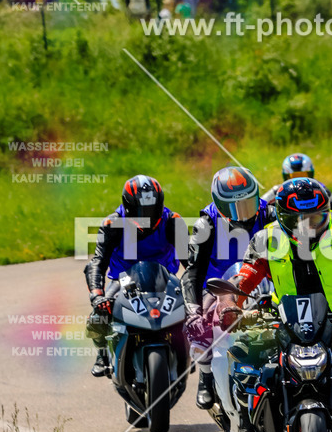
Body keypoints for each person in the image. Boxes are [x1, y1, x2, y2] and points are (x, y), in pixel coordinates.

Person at [217, 177, 332, 432]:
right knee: (243, 358)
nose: (308, 227)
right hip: (280, 318)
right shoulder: (265, 239)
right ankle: (243, 425)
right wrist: (230, 304)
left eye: (316, 218)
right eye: (299, 220)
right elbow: (244, 278)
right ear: (283, 217)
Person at [182, 166, 272, 409]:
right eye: (233, 208)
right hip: (218, 284)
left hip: (264, 278)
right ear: (219, 205)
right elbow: (192, 272)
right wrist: (193, 311)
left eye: (248, 204)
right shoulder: (206, 223)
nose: (243, 214)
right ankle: (206, 375)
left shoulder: (270, 214)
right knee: (199, 329)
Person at [85, 176, 184, 377]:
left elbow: (191, 263)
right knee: (98, 316)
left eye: (151, 209)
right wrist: (97, 295)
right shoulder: (112, 223)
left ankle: (184, 353)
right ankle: (103, 353)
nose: (146, 216)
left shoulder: (173, 221)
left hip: (164, 279)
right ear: (128, 206)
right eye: (141, 211)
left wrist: (196, 293)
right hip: (123, 280)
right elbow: (97, 263)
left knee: (192, 311)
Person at [261, 152, 332, 217]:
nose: (300, 181)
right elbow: (260, 206)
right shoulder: (278, 191)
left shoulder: (322, 190)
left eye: (303, 175)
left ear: (310, 174)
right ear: (286, 177)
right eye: (294, 176)